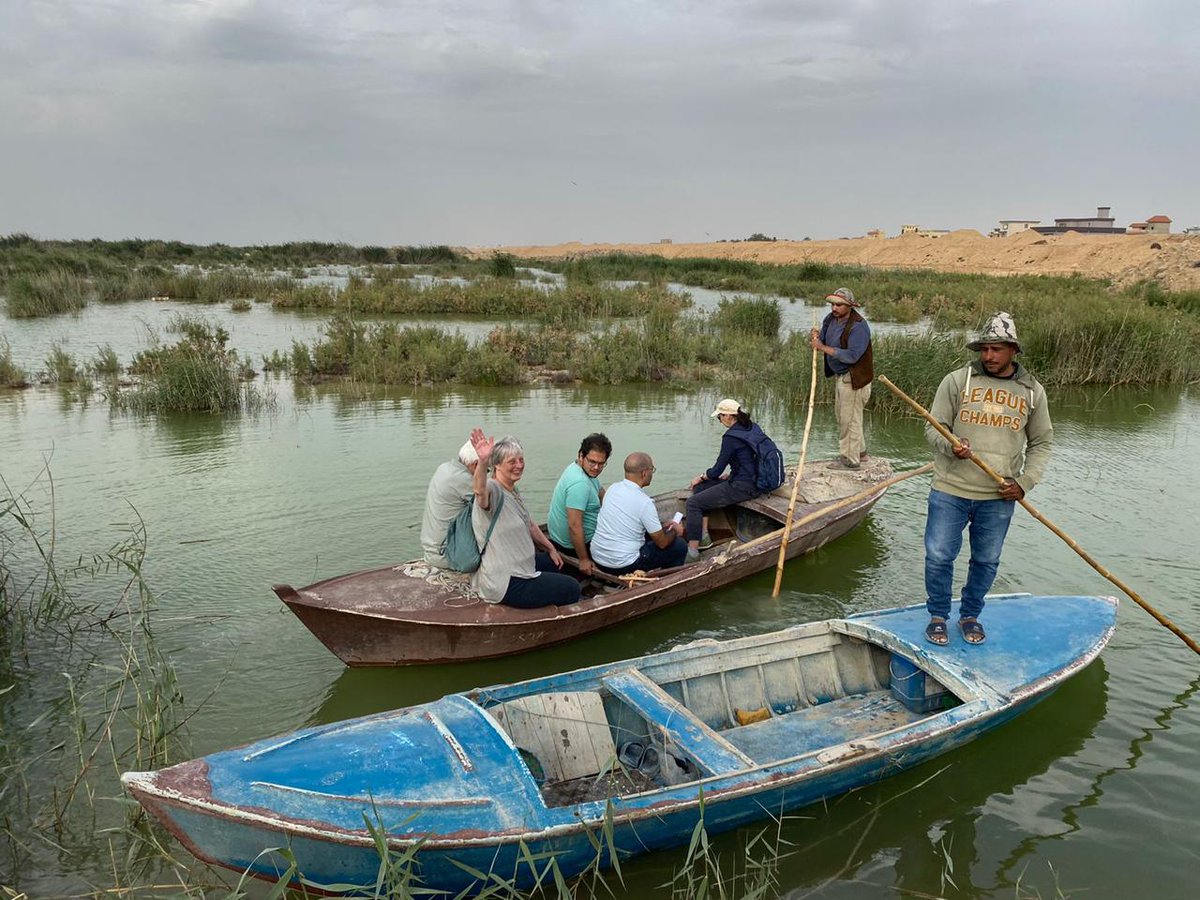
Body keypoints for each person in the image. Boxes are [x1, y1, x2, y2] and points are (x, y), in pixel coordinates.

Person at [923, 312, 1052, 646]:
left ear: (1013, 351)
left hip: (998, 495)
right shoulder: (957, 380)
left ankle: (970, 616)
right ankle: (938, 616)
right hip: (950, 489)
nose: (989, 356)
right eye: (984, 349)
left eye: (996, 349)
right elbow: (933, 427)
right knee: (938, 556)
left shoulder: (1032, 392)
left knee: (986, 560)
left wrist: (1025, 483)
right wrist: (951, 446)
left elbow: (1041, 443)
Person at [468, 430, 583, 609]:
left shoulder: (512, 490)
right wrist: (483, 461)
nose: (519, 465)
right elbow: (479, 491)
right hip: (507, 581)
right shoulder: (494, 490)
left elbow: (529, 524)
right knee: (572, 588)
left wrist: (551, 548)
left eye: (521, 460)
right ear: (497, 465)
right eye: (512, 461)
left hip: (522, 564)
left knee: (557, 563)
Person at [683, 399, 770, 563]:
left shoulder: (730, 437)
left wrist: (700, 476)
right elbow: (750, 459)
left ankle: (692, 552)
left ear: (728, 416)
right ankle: (704, 536)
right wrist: (731, 474)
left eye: (720, 417)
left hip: (743, 487)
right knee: (702, 488)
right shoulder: (752, 427)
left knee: (693, 503)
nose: (720, 420)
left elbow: (716, 471)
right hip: (754, 480)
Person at [590, 452, 688, 575]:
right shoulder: (645, 502)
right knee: (679, 546)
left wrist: (663, 526)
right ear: (644, 473)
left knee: (655, 533)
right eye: (652, 469)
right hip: (623, 565)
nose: (652, 474)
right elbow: (662, 543)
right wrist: (675, 531)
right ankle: (667, 578)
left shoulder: (612, 488)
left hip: (598, 558)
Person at [810, 287, 873, 469]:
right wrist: (816, 338)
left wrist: (821, 347)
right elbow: (822, 338)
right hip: (841, 376)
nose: (834, 308)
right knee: (845, 417)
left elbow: (852, 356)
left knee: (850, 420)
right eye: (832, 304)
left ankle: (850, 461)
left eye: (839, 305)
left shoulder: (858, 326)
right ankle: (860, 453)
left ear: (850, 306)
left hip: (854, 379)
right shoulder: (830, 319)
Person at [547, 433, 612, 576]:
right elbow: (574, 526)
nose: (596, 468)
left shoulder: (579, 468)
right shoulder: (580, 483)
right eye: (592, 462)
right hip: (572, 546)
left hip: (561, 539)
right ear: (581, 456)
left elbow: (602, 494)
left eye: (601, 464)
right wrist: (583, 559)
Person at [419, 440, 479, 568]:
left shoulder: (444, 467)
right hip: (446, 555)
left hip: (431, 550)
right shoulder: (463, 480)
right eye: (487, 469)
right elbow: (493, 504)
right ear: (476, 465)